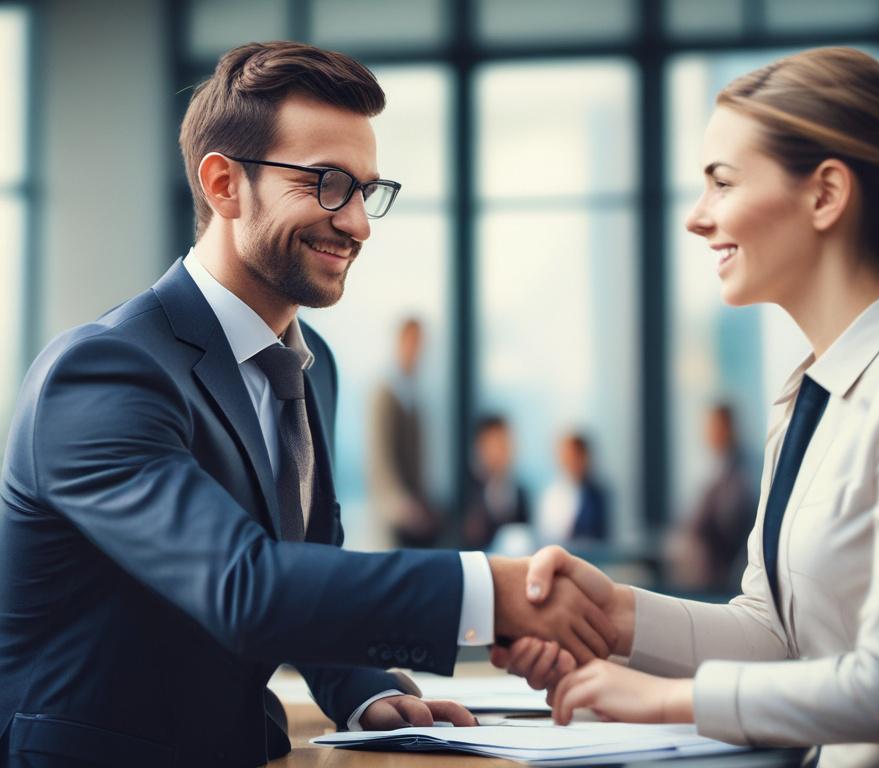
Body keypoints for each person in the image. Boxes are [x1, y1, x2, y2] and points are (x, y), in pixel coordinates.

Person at [0, 42, 617, 767]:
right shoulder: (104, 372)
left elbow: (306, 561)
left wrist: (357, 687)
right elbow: (244, 583)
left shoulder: (307, 366)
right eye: (326, 183)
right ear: (224, 184)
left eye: (367, 190)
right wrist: (488, 590)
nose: (357, 223)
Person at [495, 47, 879, 767]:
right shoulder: (809, 394)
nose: (696, 218)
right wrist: (612, 614)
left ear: (825, 195)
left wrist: (663, 699)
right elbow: (774, 638)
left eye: (721, 183)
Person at [367, 317, 441, 547]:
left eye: (420, 344)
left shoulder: (414, 397)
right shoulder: (385, 393)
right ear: (399, 343)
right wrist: (399, 505)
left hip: (414, 510)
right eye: (411, 342)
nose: (416, 350)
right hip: (394, 515)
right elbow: (380, 456)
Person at [664, 403, 756, 590]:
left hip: (718, 574)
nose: (708, 433)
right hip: (703, 567)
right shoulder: (716, 467)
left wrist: (697, 532)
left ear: (728, 429)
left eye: (714, 426)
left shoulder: (739, 474)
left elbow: (729, 523)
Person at [463, 414, 530, 551]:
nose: (501, 451)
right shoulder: (467, 492)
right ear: (480, 448)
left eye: (505, 443)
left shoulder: (520, 492)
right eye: (494, 444)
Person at [537, 432, 609, 545]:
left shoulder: (597, 495)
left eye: (574, 455)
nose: (569, 460)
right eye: (566, 455)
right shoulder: (552, 494)